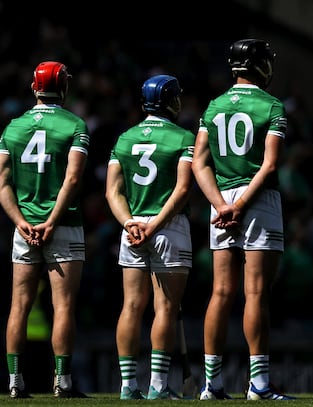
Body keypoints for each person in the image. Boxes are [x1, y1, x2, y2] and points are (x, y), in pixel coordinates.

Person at [192, 39, 294, 401]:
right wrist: (242, 205)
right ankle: (259, 385)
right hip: (257, 199)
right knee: (256, 294)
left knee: (220, 293)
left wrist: (221, 204)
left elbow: (199, 162)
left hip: (220, 202)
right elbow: (270, 165)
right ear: (261, 65)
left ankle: (212, 385)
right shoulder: (272, 105)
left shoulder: (213, 106)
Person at [0, 60, 90, 399]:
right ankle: (62, 381)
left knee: (18, 305)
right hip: (63, 226)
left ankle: (15, 382)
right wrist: (53, 220)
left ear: (34, 87)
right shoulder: (75, 125)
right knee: (63, 306)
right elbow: (73, 178)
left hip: (24, 228)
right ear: (63, 87)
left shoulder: (13, 127)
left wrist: (20, 221)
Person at [105, 75, 195, 400]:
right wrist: (155, 225)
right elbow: (183, 189)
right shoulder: (184, 137)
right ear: (171, 100)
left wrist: (130, 223)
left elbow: (112, 190)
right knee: (166, 308)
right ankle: (158, 386)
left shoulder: (124, 138)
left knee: (131, 305)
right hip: (168, 226)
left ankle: (128, 386)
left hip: (132, 229)